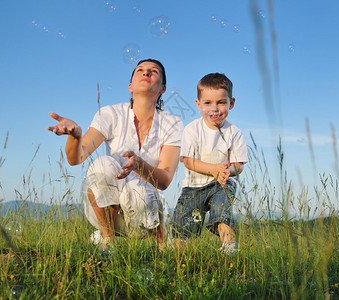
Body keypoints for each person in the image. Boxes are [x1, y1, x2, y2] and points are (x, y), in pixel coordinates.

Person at [47, 59, 183, 249]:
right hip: (108, 208)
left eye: (154, 71)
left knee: (139, 189)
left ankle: (160, 243)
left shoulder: (172, 122)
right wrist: (75, 137)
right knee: (102, 164)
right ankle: (107, 239)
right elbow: (75, 158)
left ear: (163, 89)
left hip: (145, 213)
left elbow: (165, 181)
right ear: (130, 86)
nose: (146, 73)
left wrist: (138, 165)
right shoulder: (110, 114)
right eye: (140, 70)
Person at [170, 73, 248, 254]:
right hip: (193, 187)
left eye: (221, 102)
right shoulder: (192, 129)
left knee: (223, 213)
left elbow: (239, 165)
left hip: (221, 183)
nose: (215, 108)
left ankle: (229, 248)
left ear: (231, 103)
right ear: (198, 104)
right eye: (207, 103)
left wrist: (227, 170)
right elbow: (188, 161)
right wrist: (212, 169)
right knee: (184, 224)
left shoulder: (234, 132)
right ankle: (182, 257)